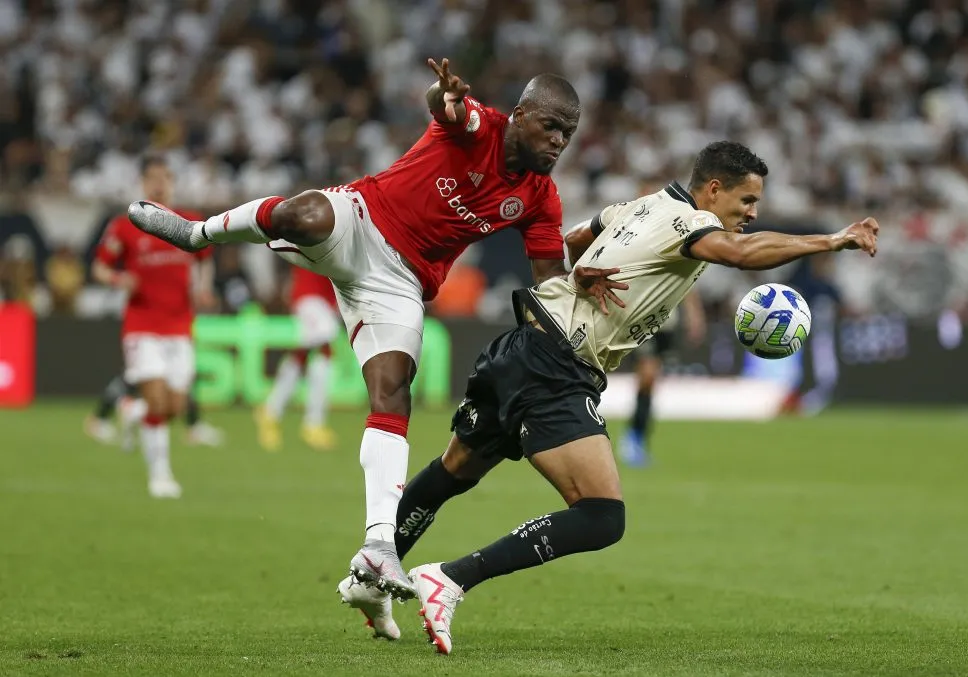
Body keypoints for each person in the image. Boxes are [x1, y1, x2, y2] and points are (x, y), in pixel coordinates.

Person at [350, 141, 879, 654]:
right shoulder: (691, 223)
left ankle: (372, 573)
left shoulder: (642, 204)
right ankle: (451, 578)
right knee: (602, 515)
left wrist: (580, 268)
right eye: (746, 201)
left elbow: (579, 236)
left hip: (522, 344)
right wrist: (831, 240)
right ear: (713, 191)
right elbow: (739, 253)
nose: (752, 213)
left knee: (454, 470)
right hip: (557, 366)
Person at [126, 58, 614, 599]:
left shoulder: (541, 198)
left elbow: (548, 284)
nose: (558, 142)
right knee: (303, 213)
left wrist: (576, 278)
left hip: (401, 283)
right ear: (519, 114)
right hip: (361, 220)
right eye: (550, 126)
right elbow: (447, 108)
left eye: (566, 134)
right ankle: (198, 234)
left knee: (392, 392)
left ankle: (379, 546)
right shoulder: (482, 125)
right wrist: (442, 93)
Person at [91, 154, 217, 498]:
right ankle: (160, 475)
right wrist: (119, 279)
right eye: (153, 178)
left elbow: (206, 259)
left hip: (179, 325)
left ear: (172, 182)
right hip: (141, 325)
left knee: (175, 407)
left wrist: (203, 288)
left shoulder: (188, 222)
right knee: (159, 404)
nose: (159, 184)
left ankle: (130, 410)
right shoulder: (124, 225)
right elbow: (99, 268)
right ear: (143, 183)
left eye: (165, 177)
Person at [255, 265, 341, 451]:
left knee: (303, 353)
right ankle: (313, 423)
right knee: (324, 347)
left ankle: (270, 412)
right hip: (310, 295)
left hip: (323, 298)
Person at [618, 290, 706, 467]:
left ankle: (637, 438)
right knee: (647, 376)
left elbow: (689, 283)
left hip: (666, 323)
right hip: (643, 319)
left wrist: (694, 315)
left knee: (651, 383)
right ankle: (631, 439)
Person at [85, 377, 223, 450]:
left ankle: (133, 410)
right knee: (136, 378)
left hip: (172, 336)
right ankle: (100, 419)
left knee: (178, 387)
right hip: (150, 335)